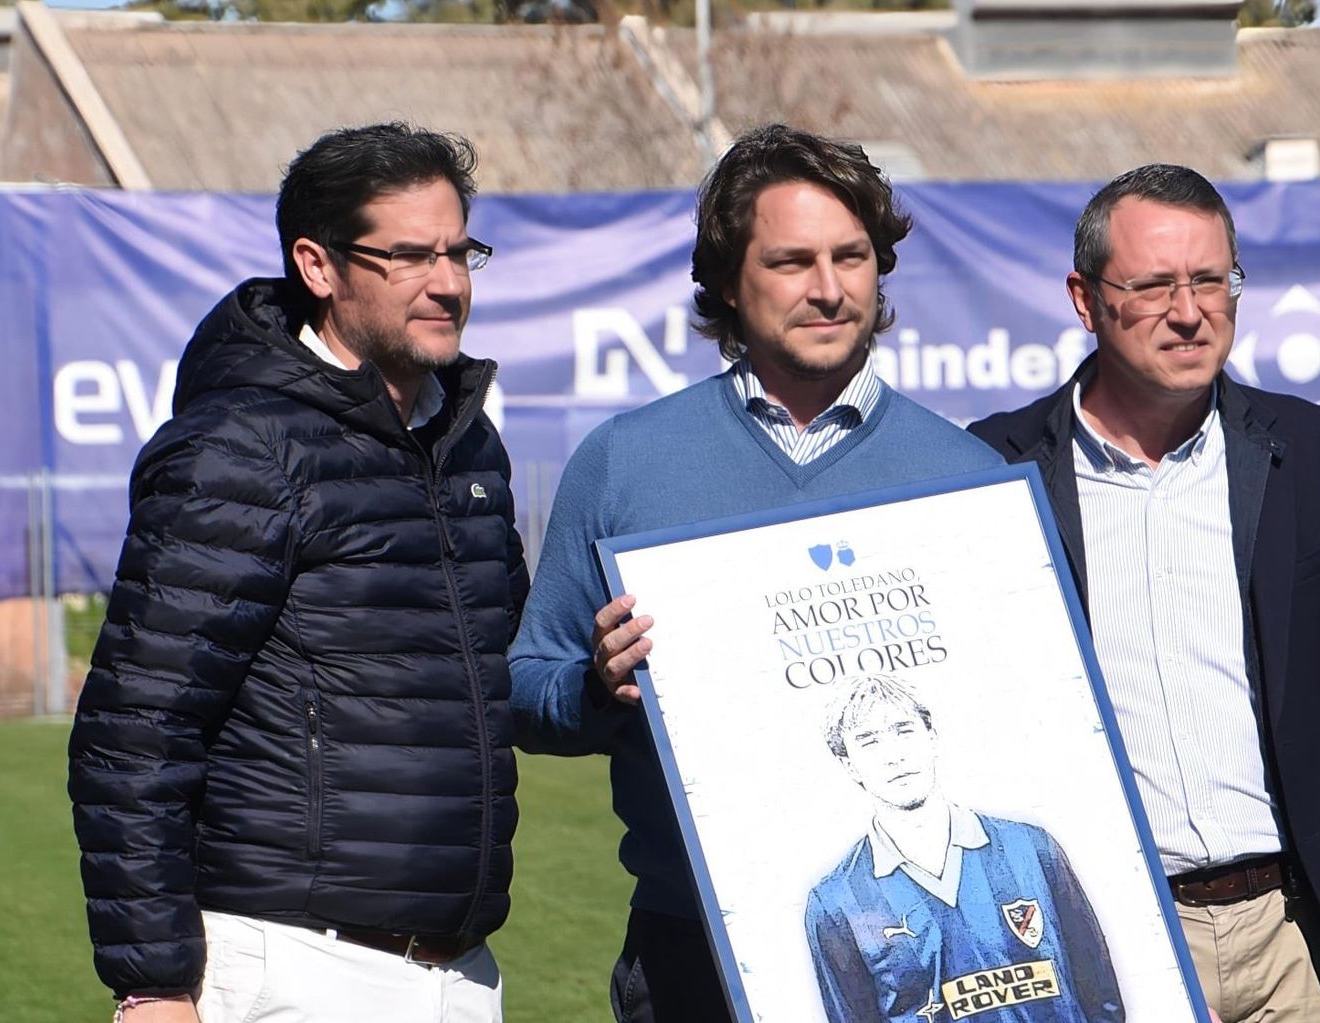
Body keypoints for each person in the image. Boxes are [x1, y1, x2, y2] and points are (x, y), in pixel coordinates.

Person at [508, 123, 1003, 1022]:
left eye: (851, 256)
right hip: (691, 948)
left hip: (922, 944)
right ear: (727, 282)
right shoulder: (626, 461)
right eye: (790, 261)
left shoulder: (966, 478)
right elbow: (523, 687)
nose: (827, 288)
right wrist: (597, 686)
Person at [67, 122, 530, 1023]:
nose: (446, 282)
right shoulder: (240, 448)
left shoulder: (469, 441)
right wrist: (156, 983)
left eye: (458, 251)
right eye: (407, 255)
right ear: (317, 266)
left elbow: (504, 674)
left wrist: (595, 672)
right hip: (291, 967)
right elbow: (133, 733)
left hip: (461, 972)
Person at [968, 165, 1320, 1023]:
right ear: (1085, 298)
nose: (1189, 311)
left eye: (1211, 279)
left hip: (1303, 936)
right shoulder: (995, 469)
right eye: (1152, 285)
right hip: (1127, 937)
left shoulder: (1310, 447)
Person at [805, 675, 1123, 1023]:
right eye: (868, 741)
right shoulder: (835, 901)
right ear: (848, 763)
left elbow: (1100, 993)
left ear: (932, 737)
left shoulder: (1030, 849)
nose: (893, 755)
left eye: (903, 730)